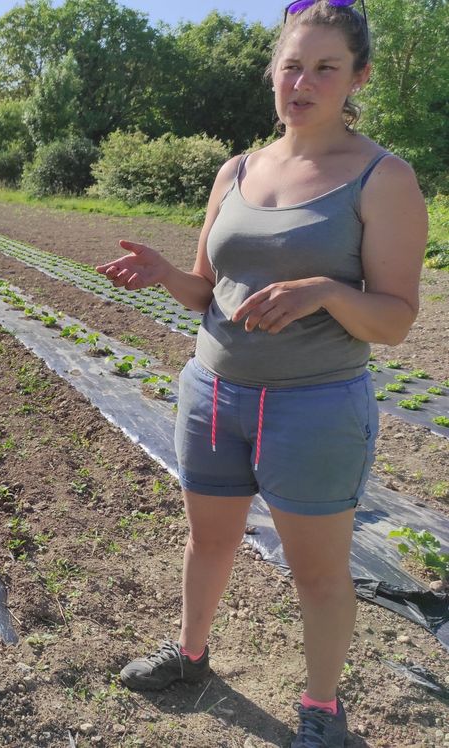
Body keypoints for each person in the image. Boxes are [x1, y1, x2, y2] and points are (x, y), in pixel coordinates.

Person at [94, 1, 427, 746]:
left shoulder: (382, 177)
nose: (302, 82)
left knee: (318, 573)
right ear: (273, 74)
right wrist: (163, 272)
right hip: (213, 392)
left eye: (325, 68)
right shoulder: (237, 169)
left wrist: (327, 291)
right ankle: (190, 658)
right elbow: (208, 289)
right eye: (291, 66)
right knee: (207, 540)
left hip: (313, 407)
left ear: (357, 78)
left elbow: (397, 319)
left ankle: (320, 711)